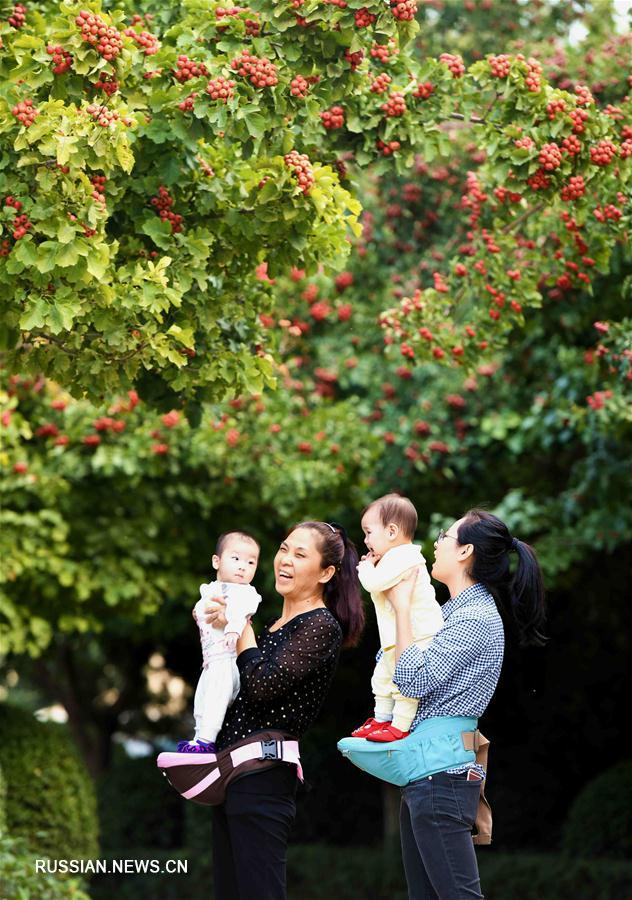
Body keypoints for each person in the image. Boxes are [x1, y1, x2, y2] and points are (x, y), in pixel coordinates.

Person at [384, 508, 546, 900]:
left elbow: (413, 679)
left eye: (445, 535)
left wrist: (402, 608)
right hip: (427, 770)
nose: (436, 542)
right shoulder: (451, 613)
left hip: (441, 774)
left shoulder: (474, 617)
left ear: (465, 552)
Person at [203, 520, 365, 900]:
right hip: (231, 775)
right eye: (283, 549)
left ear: (326, 573)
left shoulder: (320, 625)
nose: (285, 560)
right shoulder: (271, 625)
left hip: (263, 778)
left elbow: (261, 687)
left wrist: (238, 624)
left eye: (300, 554)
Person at [351, 493, 444, 742]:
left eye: (369, 532)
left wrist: (366, 568)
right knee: (381, 677)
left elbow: (374, 584)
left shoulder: (406, 556)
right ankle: (381, 719)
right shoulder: (393, 558)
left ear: (391, 531)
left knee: (405, 683)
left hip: (419, 636)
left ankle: (400, 725)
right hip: (397, 637)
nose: (365, 540)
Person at [177, 531, 263, 753]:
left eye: (250, 562)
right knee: (202, 698)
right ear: (217, 561)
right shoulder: (211, 589)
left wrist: (233, 628)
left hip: (228, 659)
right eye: (236, 559)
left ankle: (207, 740)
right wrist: (197, 613)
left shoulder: (246, 592)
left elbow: (242, 611)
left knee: (216, 698)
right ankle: (198, 737)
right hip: (211, 660)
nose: (243, 566)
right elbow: (201, 607)